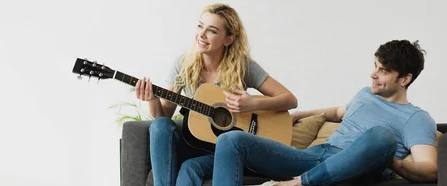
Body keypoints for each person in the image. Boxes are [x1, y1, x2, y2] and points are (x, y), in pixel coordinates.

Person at [212, 39, 437, 186]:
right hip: (318, 156)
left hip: (353, 171)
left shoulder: (416, 118)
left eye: (383, 71)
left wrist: (390, 160)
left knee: (383, 135)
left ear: (405, 79)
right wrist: (303, 114)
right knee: (231, 140)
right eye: (375, 66)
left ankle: (297, 184)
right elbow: (339, 112)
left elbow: (429, 170)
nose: (373, 74)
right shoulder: (365, 94)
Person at [134, 3, 298, 186]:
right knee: (159, 125)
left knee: (190, 167)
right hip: (197, 143)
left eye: (211, 30)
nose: (201, 34)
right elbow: (164, 115)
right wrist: (152, 100)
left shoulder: (242, 67)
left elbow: (290, 99)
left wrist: (253, 104)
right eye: (200, 26)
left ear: (228, 39)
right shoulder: (183, 65)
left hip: (229, 150)